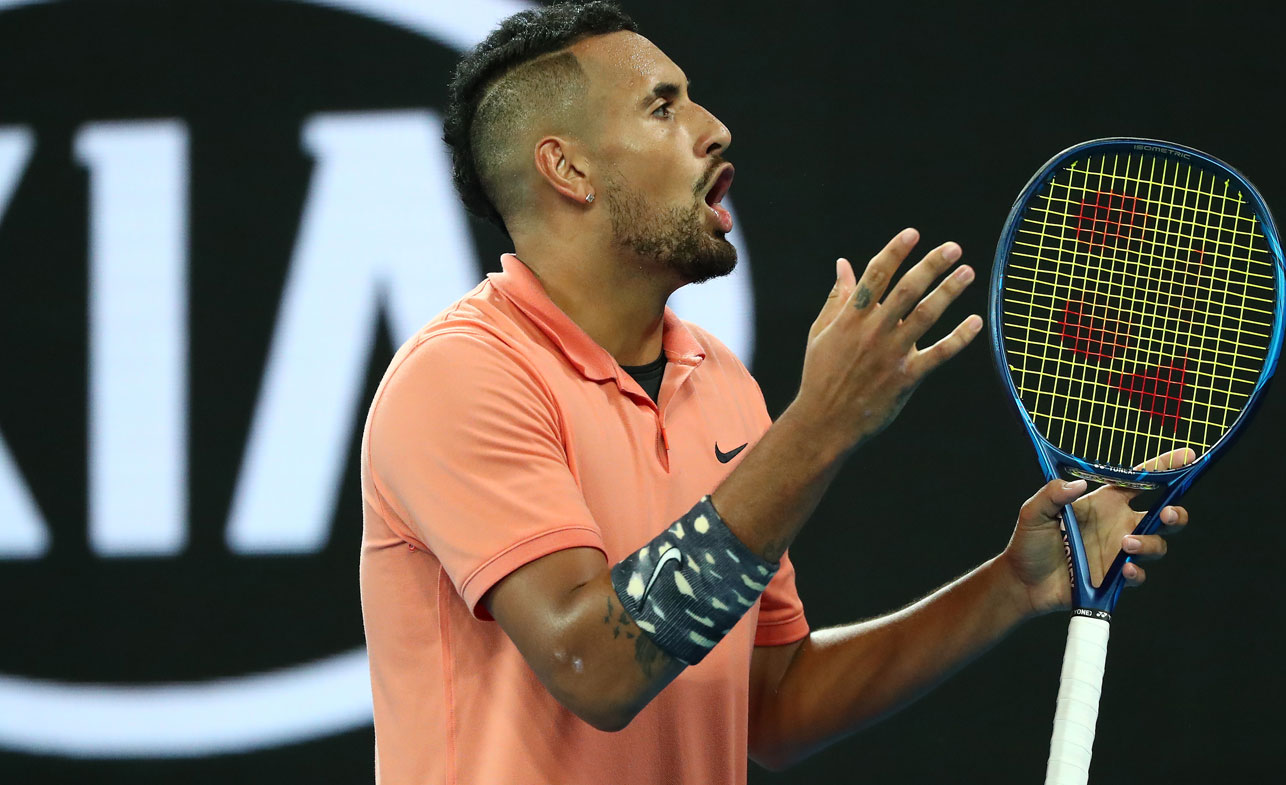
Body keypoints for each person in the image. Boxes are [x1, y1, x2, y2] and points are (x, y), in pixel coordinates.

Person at [358, 2, 1189, 783]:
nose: (713, 129)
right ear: (567, 168)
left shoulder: (719, 382)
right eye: (662, 107)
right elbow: (596, 664)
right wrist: (821, 423)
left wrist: (1011, 584)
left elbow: (770, 702)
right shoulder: (461, 374)